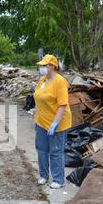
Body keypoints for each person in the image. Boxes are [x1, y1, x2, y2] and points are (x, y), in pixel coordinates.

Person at [33, 54, 72, 189]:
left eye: (44, 65)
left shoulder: (60, 82)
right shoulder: (42, 80)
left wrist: (55, 122)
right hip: (41, 121)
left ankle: (58, 179)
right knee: (41, 149)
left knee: (56, 151)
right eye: (41, 65)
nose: (42, 68)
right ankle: (43, 175)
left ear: (52, 66)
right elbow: (38, 97)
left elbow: (62, 104)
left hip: (57, 122)